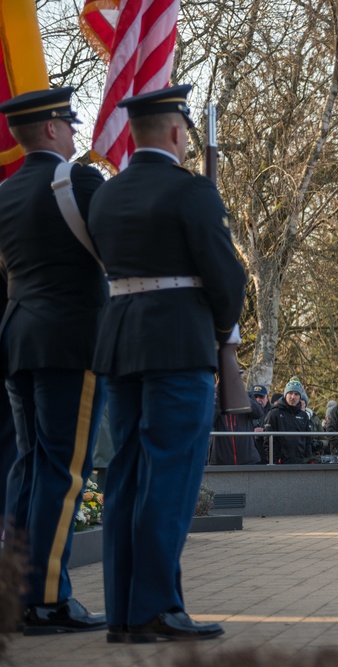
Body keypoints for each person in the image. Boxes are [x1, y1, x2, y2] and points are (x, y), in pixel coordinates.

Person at [88, 85, 244, 642]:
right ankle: (156, 607)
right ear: (178, 132)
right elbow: (228, 279)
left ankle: (125, 612)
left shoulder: (104, 196)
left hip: (119, 344)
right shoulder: (192, 192)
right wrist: (218, 331)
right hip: (179, 344)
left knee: (125, 476)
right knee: (170, 479)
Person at [0, 87, 108, 634]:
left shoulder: (5, 192)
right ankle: (45, 600)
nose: (74, 131)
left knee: (28, 466)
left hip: (18, 341)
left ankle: (15, 591)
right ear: (49, 129)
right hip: (70, 342)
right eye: (68, 122)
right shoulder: (79, 182)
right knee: (64, 472)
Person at [209, 384, 266, 465]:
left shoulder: (247, 395)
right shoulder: (213, 397)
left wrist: (242, 395)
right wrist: (218, 398)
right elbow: (207, 422)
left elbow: (259, 413)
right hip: (220, 459)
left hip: (247, 458)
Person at [262, 377, 313, 464]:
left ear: (300, 396)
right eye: (290, 393)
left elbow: (308, 440)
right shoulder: (274, 413)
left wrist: (307, 459)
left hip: (300, 463)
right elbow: (268, 441)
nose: (293, 397)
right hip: (280, 463)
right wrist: (273, 461)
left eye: (296, 394)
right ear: (285, 395)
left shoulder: (303, 415)